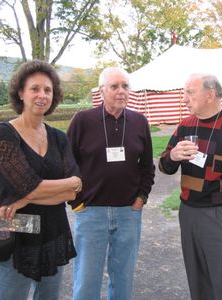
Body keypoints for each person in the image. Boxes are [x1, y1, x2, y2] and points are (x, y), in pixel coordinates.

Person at [159, 73, 222, 300]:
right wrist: (173, 156)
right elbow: (164, 166)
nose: (184, 98)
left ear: (210, 94)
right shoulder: (185, 126)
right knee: (198, 280)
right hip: (189, 213)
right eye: (184, 92)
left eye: (190, 92)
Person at [0, 60, 82, 300]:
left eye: (47, 90)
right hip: (17, 234)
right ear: (20, 93)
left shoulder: (59, 137)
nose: (42, 95)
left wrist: (23, 198)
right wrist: (66, 185)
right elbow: (28, 185)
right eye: (35, 89)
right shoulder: (3, 135)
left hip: (53, 232)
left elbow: (75, 188)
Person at [67, 67, 155, 300]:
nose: (121, 91)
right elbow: (67, 165)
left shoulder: (139, 121)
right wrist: (76, 202)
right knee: (87, 279)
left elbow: (147, 167)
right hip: (91, 212)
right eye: (114, 86)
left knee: (123, 278)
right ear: (102, 90)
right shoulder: (83, 120)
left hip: (128, 213)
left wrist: (140, 200)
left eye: (125, 86)